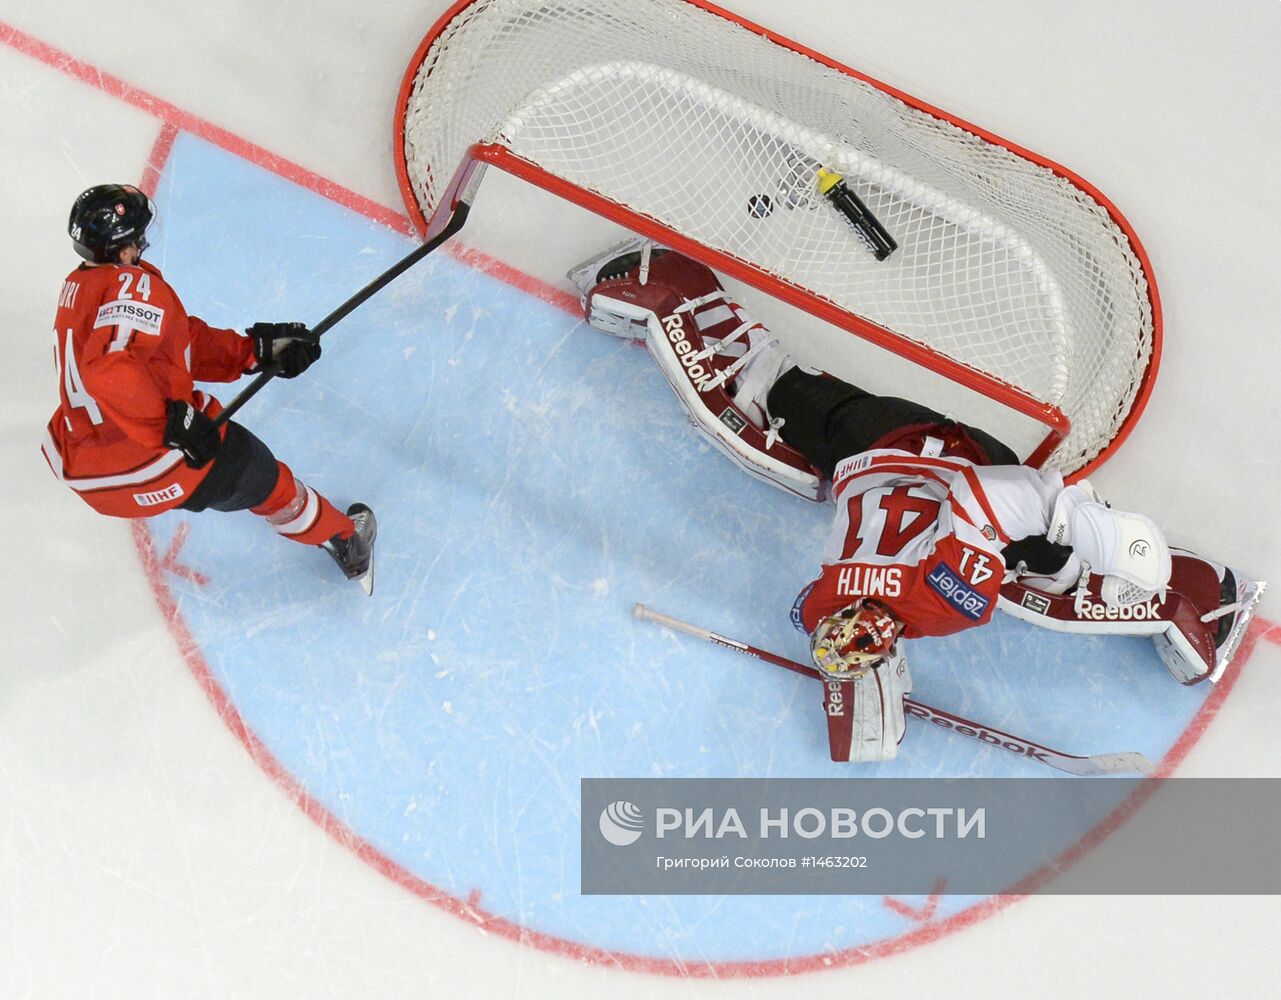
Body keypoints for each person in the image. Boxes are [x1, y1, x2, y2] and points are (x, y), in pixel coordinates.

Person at [570, 239, 1264, 762]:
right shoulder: (820, 602)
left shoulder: (938, 599)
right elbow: (840, 652)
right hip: (871, 449)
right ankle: (680, 291)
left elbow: (982, 497)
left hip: (936, 449)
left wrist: (1093, 530)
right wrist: (858, 689)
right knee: (779, 398)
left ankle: (1196, 590)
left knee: (1042, 574)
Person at [43, 184, 377, 594]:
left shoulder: (81, 286)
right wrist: (170, 423)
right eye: (139, 236)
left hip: (95, 475)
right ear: (125, 248)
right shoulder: (132, 284)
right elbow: (106, 367)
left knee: (217, 474)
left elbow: (172, 342)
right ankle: (348, 544)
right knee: (271, 485)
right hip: (154, 464)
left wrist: (251, 352)